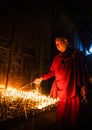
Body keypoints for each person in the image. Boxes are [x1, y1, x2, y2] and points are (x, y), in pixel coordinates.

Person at [33, 35, 88, 130]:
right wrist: (41, 78)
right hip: (61, 91)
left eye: (59, 43)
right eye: (56, 44)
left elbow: (83, 70)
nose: (57, 46)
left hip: (73, 89)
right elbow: (52, 72)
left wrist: (83, 85)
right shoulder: (56, 58)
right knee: (62, 115)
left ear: (65, 41)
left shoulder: (77, 55)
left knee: (74, 115)